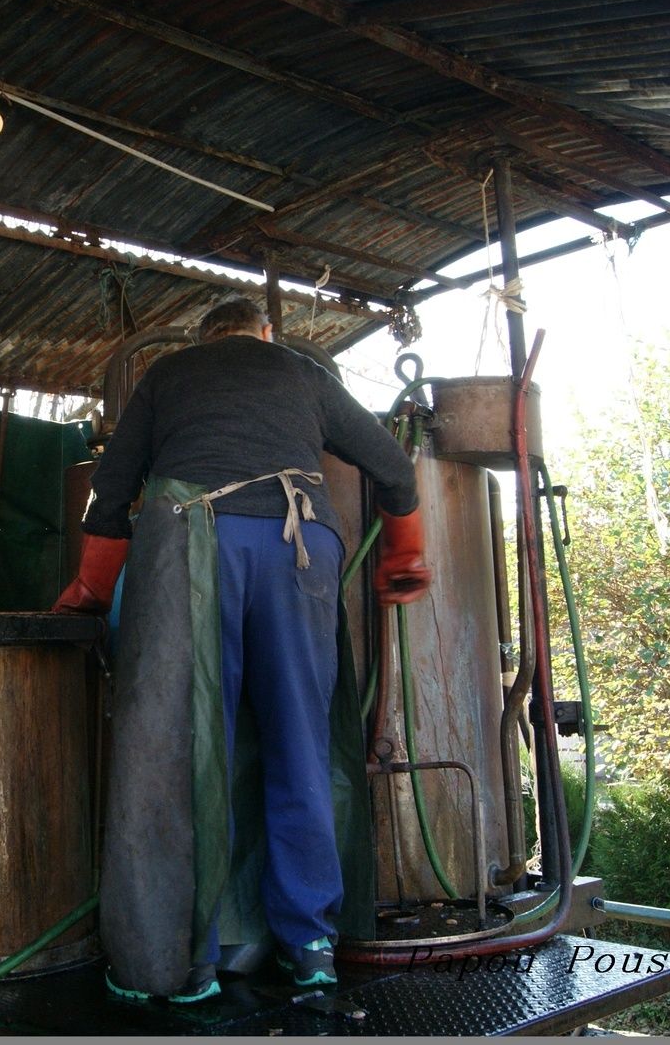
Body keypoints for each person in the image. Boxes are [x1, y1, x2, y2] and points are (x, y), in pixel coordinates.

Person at [54, 298, 430, 1004]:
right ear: (264, 334)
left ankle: (182, 959)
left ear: (204, 337)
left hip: (196, 544)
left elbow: (110, 493)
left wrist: (91, 590)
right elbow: (394, 470)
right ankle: (310, 946)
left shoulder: (168, 375)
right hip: (300, 548)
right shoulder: (302, 372)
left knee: (184, 743)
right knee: (300, 740)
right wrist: (403, 556)